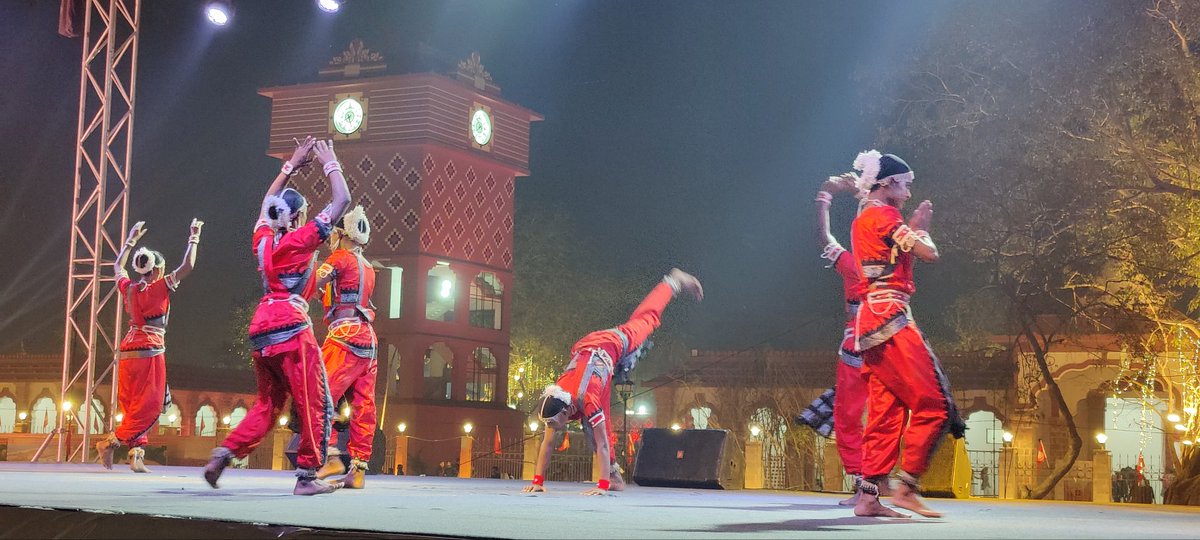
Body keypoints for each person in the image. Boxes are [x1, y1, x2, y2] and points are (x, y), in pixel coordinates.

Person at [203, 136, 350, 495]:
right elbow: (342, 201)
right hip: (291, 327)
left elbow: (263, 207)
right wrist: (330, 161)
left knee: (268, 404)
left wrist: (290, 166)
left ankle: (224, 453)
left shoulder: (263, 240)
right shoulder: (300, 239)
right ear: (296, 216)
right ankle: (307, 477)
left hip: (261, 328)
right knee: (316, 401)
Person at [848, 150, 964, 518]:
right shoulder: (885, 215)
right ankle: (907, 486)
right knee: (935, 403)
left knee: (888, 410)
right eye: (905, 185)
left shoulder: (863, 218)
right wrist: (921, 229)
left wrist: (909, 228)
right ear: (888, 183)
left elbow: (892, 257)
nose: (909, 193)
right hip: (891, 319)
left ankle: (868, 497)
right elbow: (928, 253)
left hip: (870, 323)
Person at [523, 269, 703, 496]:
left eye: (555, 424)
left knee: (645, 320)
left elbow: (603, 444)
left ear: (567, 410)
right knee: (595, 425)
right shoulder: (556, 399)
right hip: (590, 358)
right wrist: (538, 481)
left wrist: (601, 486)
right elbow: (547, 443)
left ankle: (673, 282)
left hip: (611, 343)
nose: (553, 428)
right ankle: (614, 476)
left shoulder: (588, 399)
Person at [97, 218, 203, 473]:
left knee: (133, 404)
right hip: (149, 350)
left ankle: (136, 455)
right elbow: (188, 265)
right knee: (151, 404)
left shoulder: (130, 289)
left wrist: (130, 241)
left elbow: (118, 267)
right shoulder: (160, 287)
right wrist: (194, 236)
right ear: (156, 269)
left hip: (127, 351)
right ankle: (111, 442)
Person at [795, 174, 869, 506]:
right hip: (888, 344)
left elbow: (822, 236)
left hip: (859, 348)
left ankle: (865, 483)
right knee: (878, 414)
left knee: (848, 416)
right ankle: (882, 482)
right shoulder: (886, 261)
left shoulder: (853, 265)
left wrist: (825, 194)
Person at [310, 205, 379, 489]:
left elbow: (315, 279)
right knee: (364, 406)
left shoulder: (340, 257)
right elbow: (350, 296)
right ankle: (358, 470)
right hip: (368, 340)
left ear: (342, 233)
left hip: (344, 337)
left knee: (319, 393)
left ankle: (330, 456)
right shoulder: (368, 267)